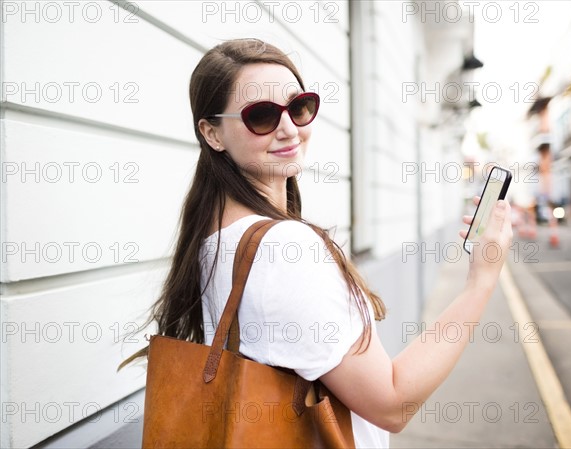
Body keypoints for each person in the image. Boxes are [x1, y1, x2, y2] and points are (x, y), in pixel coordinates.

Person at [149, 38, 513, 448]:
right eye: (262, 115)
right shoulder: (286, 251)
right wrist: (480, 282)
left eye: (299, 106)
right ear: (212, 133)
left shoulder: (214, 237)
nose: (290, 128)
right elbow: (392, 404)